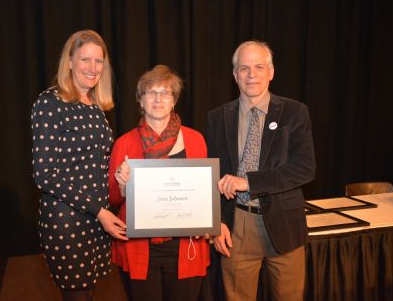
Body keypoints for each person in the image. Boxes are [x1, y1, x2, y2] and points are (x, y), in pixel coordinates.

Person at [206, 40, 316, 301]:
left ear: (271, 72)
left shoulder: (294, 112)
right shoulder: (217, 118)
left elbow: (304, 168)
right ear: (235, 75)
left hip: (285, 225)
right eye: (244, 68)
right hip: (236, 226)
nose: (251, 74)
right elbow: (212, 174)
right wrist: (216, 222)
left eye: (258, 67)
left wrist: (249, 182)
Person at [31, 29, 128, 301]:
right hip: (69, 219)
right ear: (70, 61)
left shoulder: (94, 105)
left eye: (99, 62)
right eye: (85, 59)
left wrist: (119, 171)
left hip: (97, 219)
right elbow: (44, 175)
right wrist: (98, 211)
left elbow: (94, 160)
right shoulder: (50, 103)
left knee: (88, 294)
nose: (92, 68)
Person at [109, 65, 210, 301]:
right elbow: (113, 199)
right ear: (140, 100)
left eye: (165, 93)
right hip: (140, 247)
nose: (158, 99)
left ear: (174, 100)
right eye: (150, 92)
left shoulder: (195, 140)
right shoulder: (124, 144)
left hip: (186, 246)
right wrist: (123, 186)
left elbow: (204, 194)